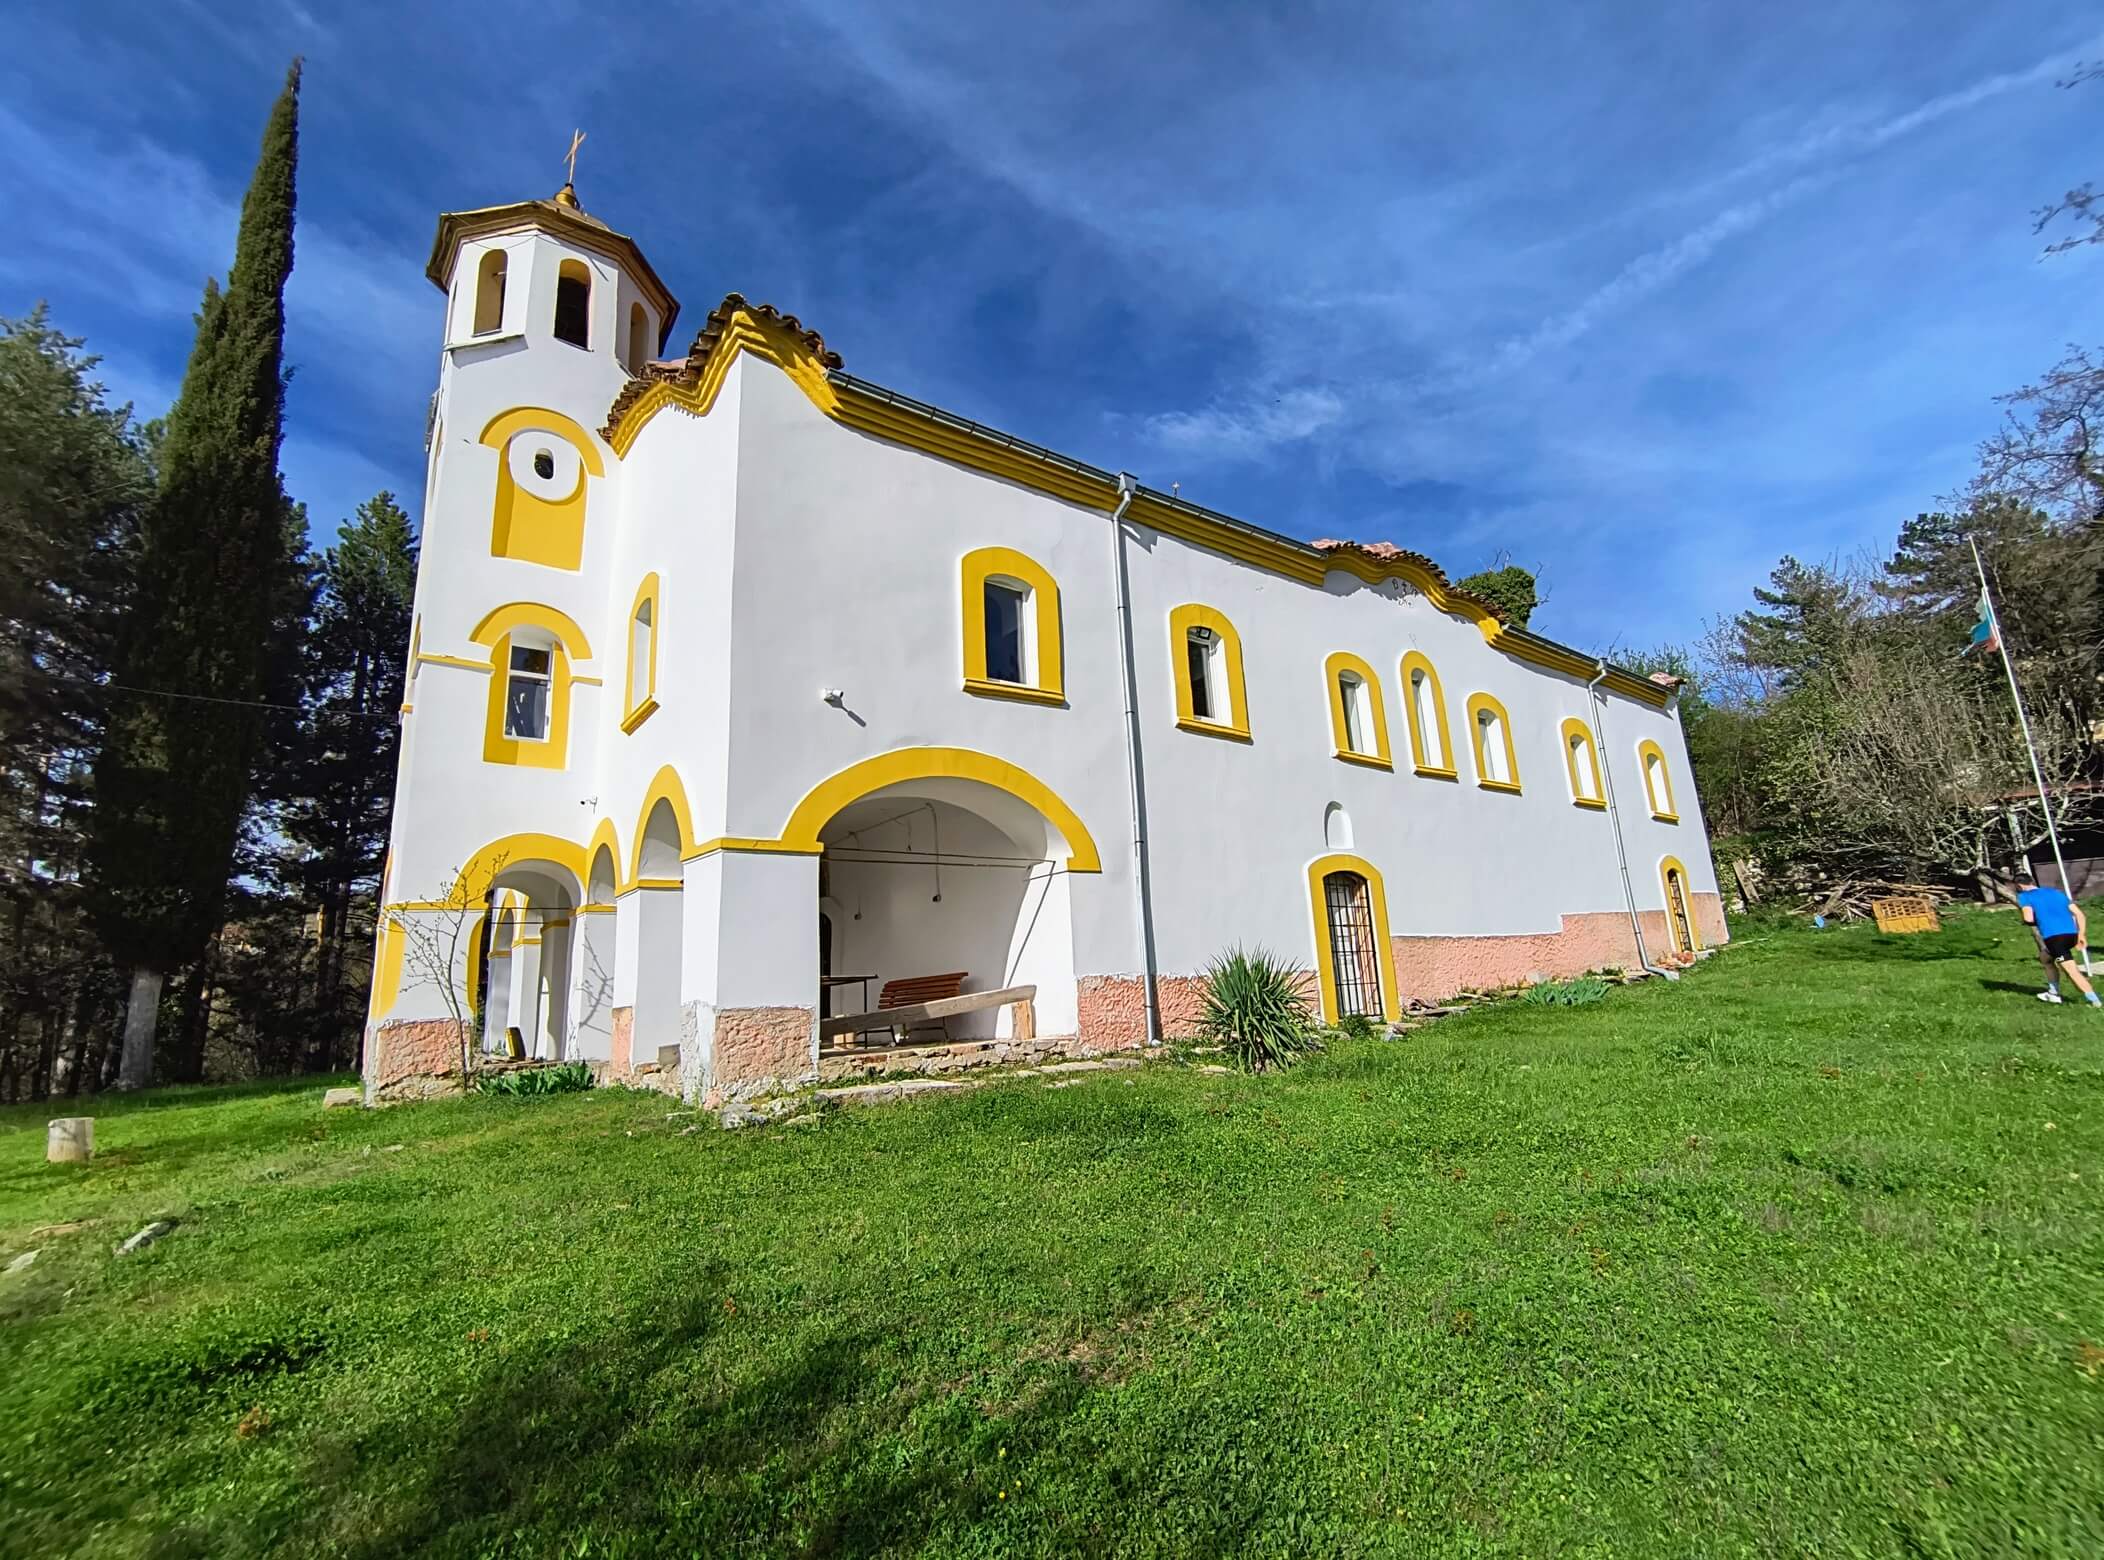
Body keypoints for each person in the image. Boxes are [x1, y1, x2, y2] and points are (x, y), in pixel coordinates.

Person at [2017, 865, 2099, 1007]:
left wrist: (2033, 920)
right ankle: (2053, 993)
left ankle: (2094, 1000)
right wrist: (2081, 935)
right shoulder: (2055, 892)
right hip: (2071, 935)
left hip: (2055, 938)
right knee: (2045, 958)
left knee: (2071, 971)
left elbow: (2028, 918)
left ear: (2019, 885)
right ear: (2032, 881)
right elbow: (2079, 914)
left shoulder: (2024, 896)